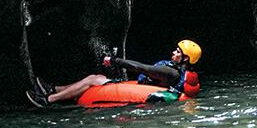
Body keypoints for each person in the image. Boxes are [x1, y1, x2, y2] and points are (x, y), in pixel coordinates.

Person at [26, 39, 202, 107]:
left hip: (146, 90)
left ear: (186, 59)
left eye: (178, 52)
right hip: (146, 87)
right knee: (99, 78)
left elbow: (142, 68)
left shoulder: (171, 72)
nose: (174, 52)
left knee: (93, 80)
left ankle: (48, 100)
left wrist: (115, 60)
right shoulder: (178, 71)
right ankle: (55, 89)